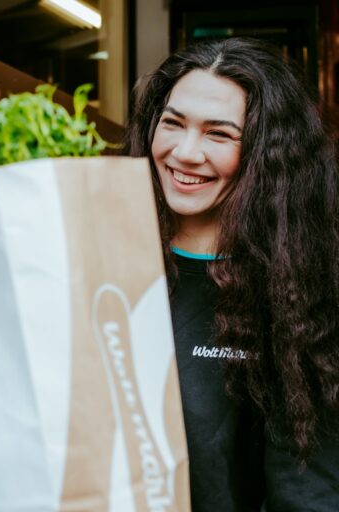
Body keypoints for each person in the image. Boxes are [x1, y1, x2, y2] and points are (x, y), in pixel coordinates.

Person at [124, 37, 339, 511]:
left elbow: (309, 491)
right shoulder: (107, 258)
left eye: (218, 134)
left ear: (266, 155)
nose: (185, 152)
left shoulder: (299, 294)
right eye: (173, 124)